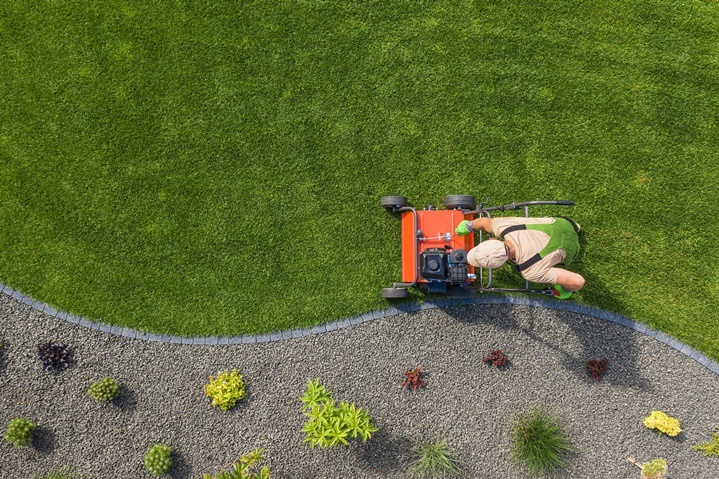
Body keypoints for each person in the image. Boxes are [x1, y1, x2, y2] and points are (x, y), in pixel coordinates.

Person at [455, 216, 585, 299]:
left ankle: (564, 290)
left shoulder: (531, 271)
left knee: (567, 284)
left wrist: (565, 288)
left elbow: (578, 281)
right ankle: (576, 227)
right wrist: (469, 226)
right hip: (564, 223)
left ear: (499, 265)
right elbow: (484, 222)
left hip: (572, 249)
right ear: (492, 240)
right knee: (568, 225)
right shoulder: (503, 227)